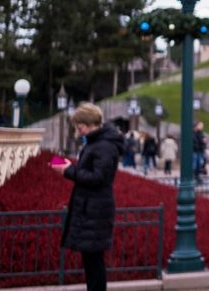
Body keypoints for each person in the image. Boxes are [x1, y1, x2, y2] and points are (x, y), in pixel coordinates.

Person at [51, 103, 124, 291]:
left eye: (79, 125)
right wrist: (70, 167)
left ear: (91, 123)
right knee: (91, 260)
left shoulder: (104, 146)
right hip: (91, 208)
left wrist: (68, 171)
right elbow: (91, 172)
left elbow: (98, 178)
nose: (77, 129)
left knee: (94, 261)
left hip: (96, 210)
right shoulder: (96, 143)